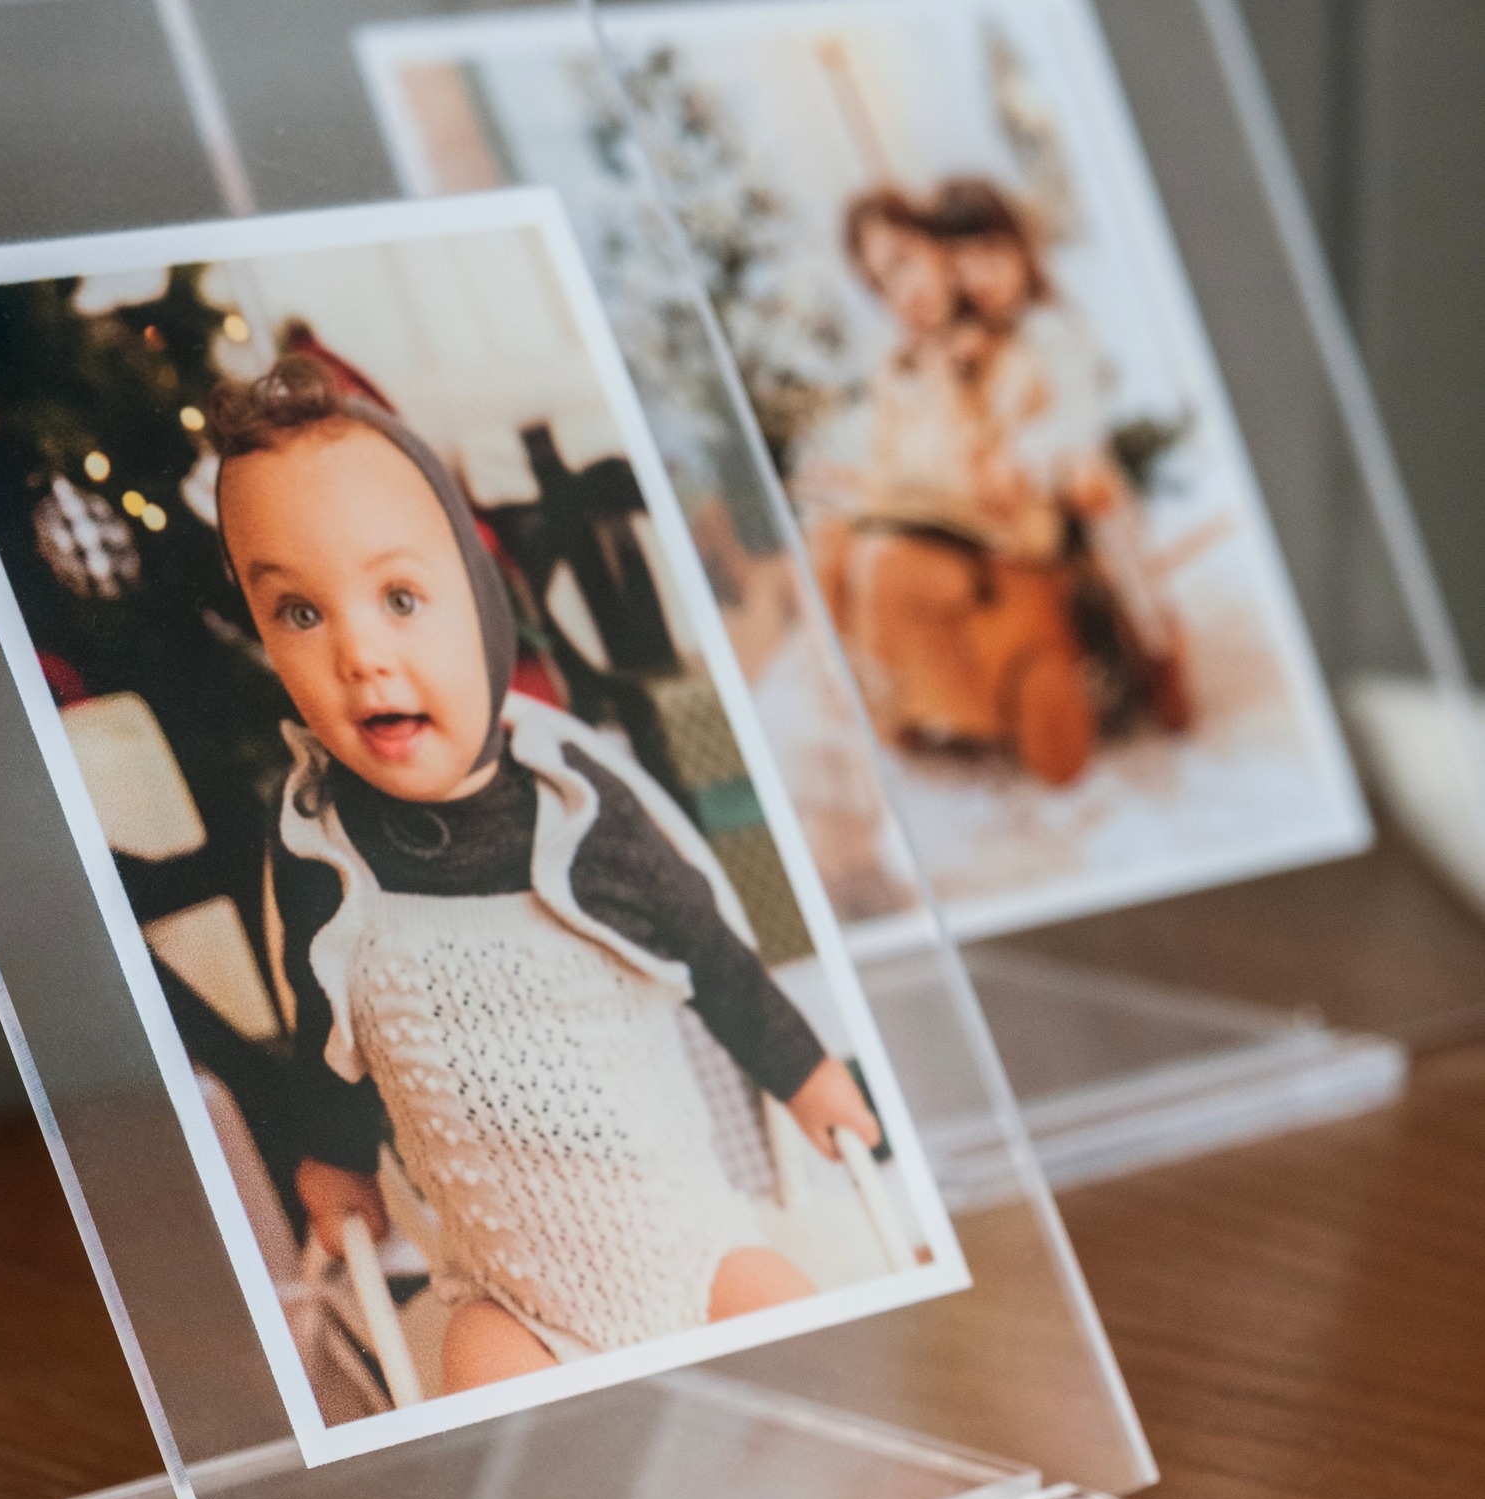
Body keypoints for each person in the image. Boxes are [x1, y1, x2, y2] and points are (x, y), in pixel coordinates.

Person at [208, 356, 881, 1396]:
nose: (359, 654)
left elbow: (709, 949)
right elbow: (324, 1034)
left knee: (814, 1364)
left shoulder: (575, 806)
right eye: (300, 612)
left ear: (480, 602)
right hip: (511, 1299)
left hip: (697, 1254)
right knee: (493, 1401)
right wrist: (336, 1161)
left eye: (399, 597)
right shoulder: (318, 850)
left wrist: (802, 1069)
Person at [811, 179, 1186, 785]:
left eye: (905, 264)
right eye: (881, 286)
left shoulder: (1011, 340)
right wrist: (868, 478)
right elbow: (895, 453)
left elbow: (1041, 426)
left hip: (1014, 513)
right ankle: (878, 698)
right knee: (830, 544)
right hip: (944, 512)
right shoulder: (904, 364)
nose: (901, 294)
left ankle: (1151, 643)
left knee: (884, 561)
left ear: (936, 250)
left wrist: (995, 437)